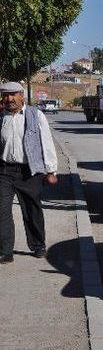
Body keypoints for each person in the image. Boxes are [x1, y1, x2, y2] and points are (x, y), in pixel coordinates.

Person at [0, 82, 58, 264]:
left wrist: (51, 170)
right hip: (4, 170)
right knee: (2, 211)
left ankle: (38, 245)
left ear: (21, 96)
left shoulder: (35, 115)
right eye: (5, 95)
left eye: (13, 95)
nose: (9, 99)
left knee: (32, 209)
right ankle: (5, 251)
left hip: (29, 171)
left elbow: (46, 142)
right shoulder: (1, 117)